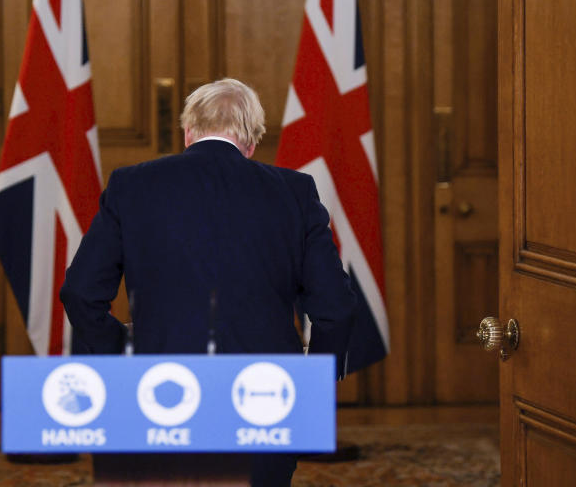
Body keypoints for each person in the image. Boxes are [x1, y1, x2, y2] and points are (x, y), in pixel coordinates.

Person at [60, 77, 357, 486]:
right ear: (251, 142)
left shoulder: (131, 185)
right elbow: (336, 309)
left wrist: (125, 349)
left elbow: (80, 293)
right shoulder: (296, 191)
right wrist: (312, 391)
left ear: (188, 132)